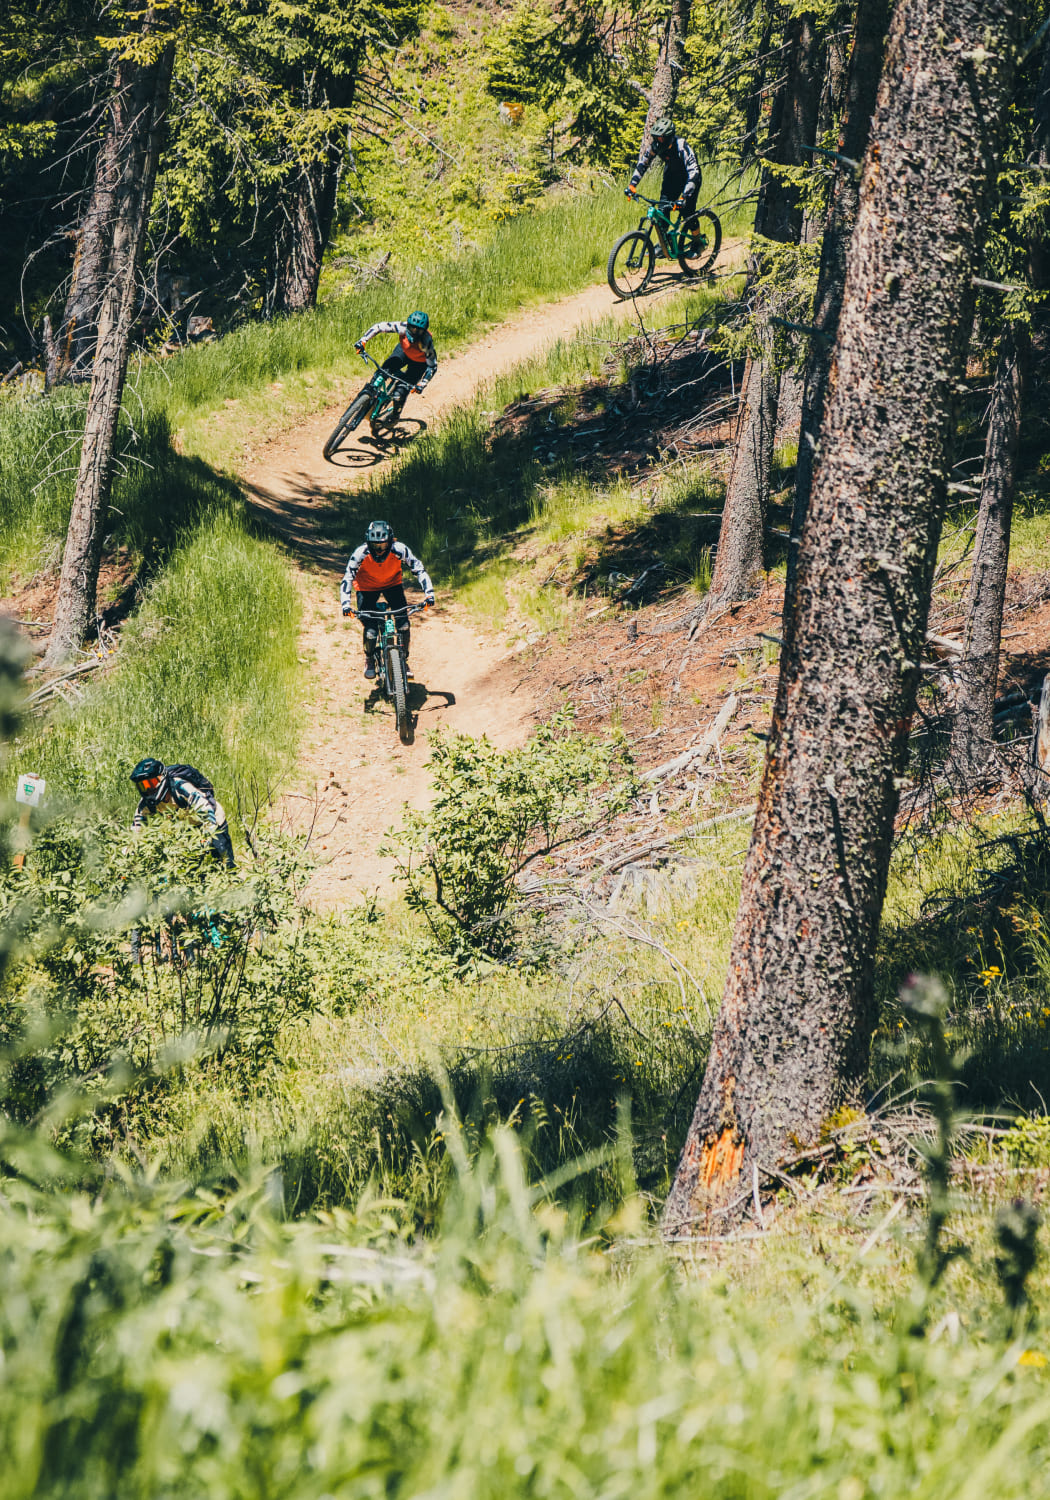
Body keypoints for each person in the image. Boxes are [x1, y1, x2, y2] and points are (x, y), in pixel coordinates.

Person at [340, 520, 435, 680]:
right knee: (370, 632)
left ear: (390, 542)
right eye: (375, 545)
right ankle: (369, 658)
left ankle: (403, 661)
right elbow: (348, 577)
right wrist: (346, 604)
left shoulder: (400, 549)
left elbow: (419, 569)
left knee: (403, 626)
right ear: (368, 542)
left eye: (383, 546)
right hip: (366, 588)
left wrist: (429, 594)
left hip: (392, 584)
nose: (378, 550)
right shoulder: (360, 553)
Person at [129, 758, 235, 868]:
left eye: (151, 783)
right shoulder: (146, 803)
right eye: (142, 786)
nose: (148, 789)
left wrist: (206, 838)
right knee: (195, 871)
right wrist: (128, 855)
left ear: (162, 778)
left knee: (225, 862)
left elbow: (207, 811)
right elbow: (136, 830)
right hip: (189, 831)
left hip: (213, 820)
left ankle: (234, 882)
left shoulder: (180, 787)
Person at [626, 116, 702, 247]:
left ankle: (698, 242)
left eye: (662, 138)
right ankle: (665, 244)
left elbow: (694, 172)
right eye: (656, 137)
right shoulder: (655, 146)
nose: (659, 140)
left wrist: (684, 197)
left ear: (669, 136)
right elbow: (642, 164)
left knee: (687, 213)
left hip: (690, 180)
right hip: (672, 177)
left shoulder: (681, 145)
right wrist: (632, 184)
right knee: (662, 211)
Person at [354, 310, 437, 422]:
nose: (415, 331)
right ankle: (367, 399)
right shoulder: (402, 327)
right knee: (381, 373)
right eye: (412, 328)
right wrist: (363, 340)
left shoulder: (427, 342)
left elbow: (432, 366)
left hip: (419, 364)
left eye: (419, 330)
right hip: (403, 352)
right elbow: (379, 327)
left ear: (424, 330)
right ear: (408, 325)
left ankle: (395, 415)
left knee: (400, 393)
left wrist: (422, 383)